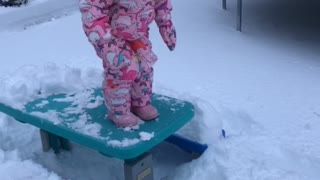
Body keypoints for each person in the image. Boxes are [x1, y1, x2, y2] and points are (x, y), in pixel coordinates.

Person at [79, 0, 176, 127]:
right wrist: (102, 37)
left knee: (144, 66)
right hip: (111, 37)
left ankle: (140, 103)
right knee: (123, 69)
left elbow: (161, 4)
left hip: (138, 33)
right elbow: (91, 5)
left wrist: (166, 26)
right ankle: (118, 111)